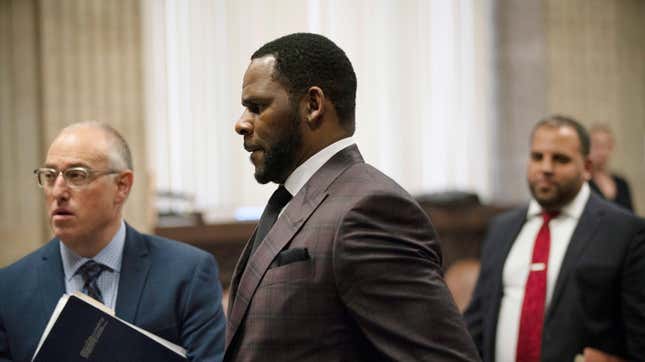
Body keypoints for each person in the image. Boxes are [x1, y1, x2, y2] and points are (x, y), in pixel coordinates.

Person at [224, 32, 479, 362]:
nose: (241, 124)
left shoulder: (369, 210)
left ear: (313, 105)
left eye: (257, 107)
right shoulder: (291, 199)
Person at [0, 122, 226, 361]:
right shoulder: (9, 288)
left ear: (122, 186)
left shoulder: (187, 274)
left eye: (76, 175)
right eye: (49, 176)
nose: (58, 192)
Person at [464, 115, 645, 362]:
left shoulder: (625, 232)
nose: (546, 168)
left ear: (587, 168)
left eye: (560, 159)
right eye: (537, 157)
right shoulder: (501, 229)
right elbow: (477, 321)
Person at [588, 124, 634, 211]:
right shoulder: (583, 184)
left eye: (606, 146)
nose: (602, 152)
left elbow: (632, 215)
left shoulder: (621, 183)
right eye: (597, 146)